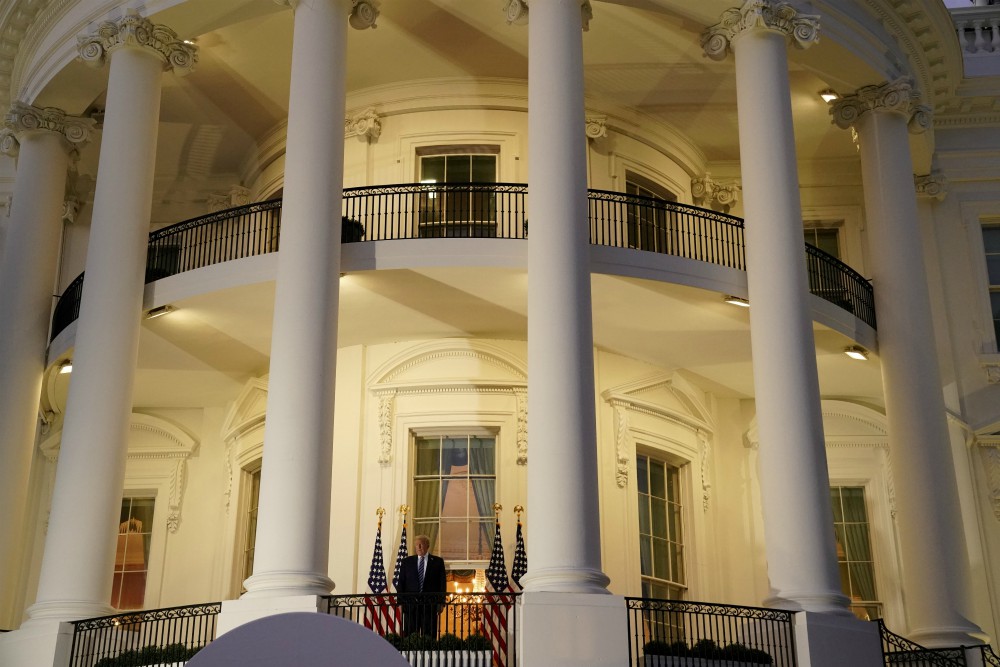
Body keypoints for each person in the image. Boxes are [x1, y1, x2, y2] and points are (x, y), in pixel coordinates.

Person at [396, 534, 447, 638]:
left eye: (421, 545)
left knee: (429, 635)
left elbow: (442, 583)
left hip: (429, 605)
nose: (418, 547)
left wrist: (441, 602)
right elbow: (401, 582)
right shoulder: (407, 562)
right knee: (410, 636)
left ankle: (428, 654)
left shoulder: (437, 562)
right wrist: (400, 602)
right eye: (416, 545)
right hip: (410, 605)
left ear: (427, 546)